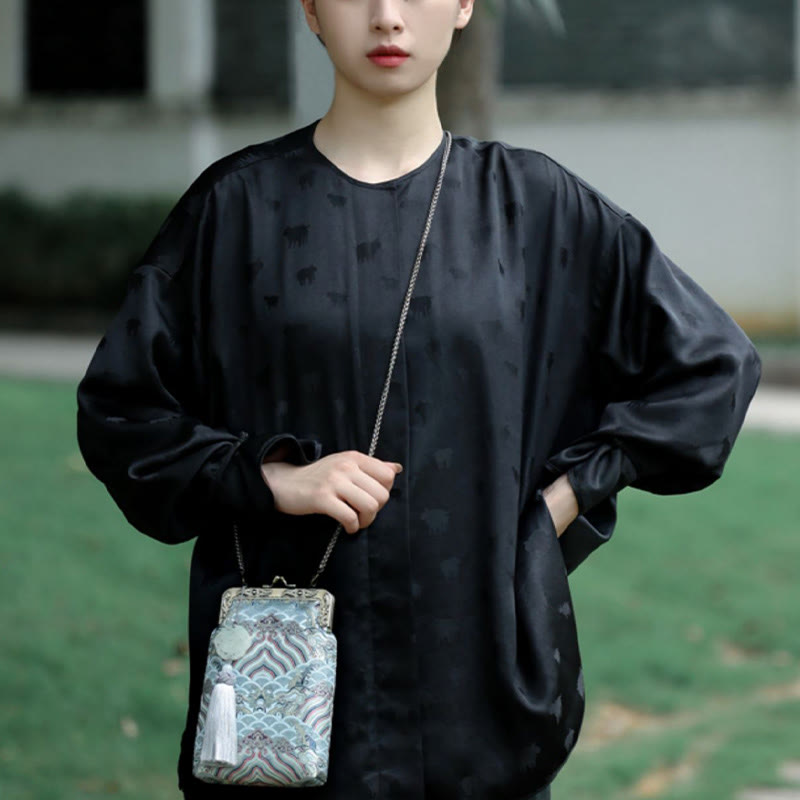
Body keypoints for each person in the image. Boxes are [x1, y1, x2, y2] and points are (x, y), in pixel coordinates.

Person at [75, 0, 762, 797]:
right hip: (283, 704)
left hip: (478, 689)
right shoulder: (237, 208)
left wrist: (562, 501)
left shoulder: (533, 208)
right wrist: (267, 477)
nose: (387, 16)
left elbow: (712, 365)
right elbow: (120, 414)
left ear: (464, 5)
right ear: (311, 11)